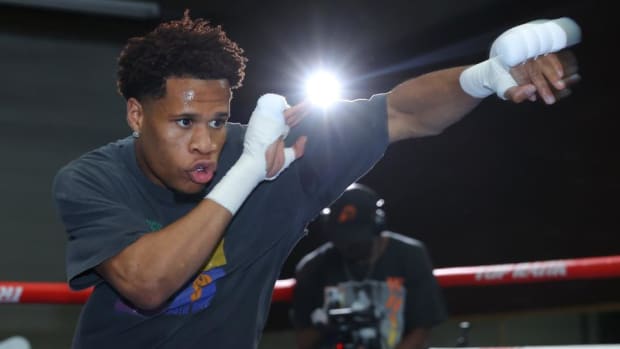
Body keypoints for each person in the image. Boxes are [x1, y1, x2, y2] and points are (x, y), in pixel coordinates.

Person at [51, 9, 580, 349]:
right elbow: (148, 284)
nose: (206, 143)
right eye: (184, 123)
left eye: (217, 121)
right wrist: (247, 174)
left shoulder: (274, 149)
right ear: (137, 116)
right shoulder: (93, 179)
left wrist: (485, 77)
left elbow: (401, 114)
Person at [291, 183, 446, 349]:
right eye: (343, 239)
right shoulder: (312, 267)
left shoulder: (411, 256)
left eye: (357, 240)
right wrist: (326, 324)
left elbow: (422, 330)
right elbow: (304, 339)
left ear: (378, 226)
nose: (349, 246)